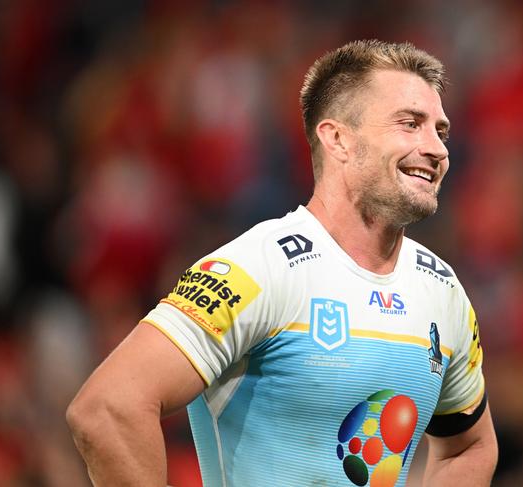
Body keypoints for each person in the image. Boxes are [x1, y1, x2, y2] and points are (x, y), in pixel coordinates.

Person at [66, 39, 498, 487]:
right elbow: (107, 408)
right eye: (410, 124)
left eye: (440, 131)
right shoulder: (258, 268)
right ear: (338, 139)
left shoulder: (442, 290)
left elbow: (469, 446)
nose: (437, 149)